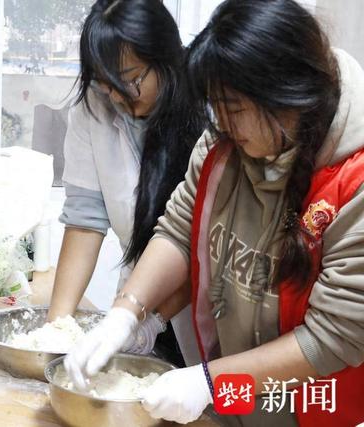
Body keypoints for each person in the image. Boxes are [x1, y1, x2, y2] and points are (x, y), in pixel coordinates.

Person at [65, 0, 364, 425]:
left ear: (286, 97)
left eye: (234, 109)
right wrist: (127, 312)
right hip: (237, 406)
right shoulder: (224, 143)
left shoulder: (354, 183)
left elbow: (333, 338)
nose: (222, 124)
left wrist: (210, 383)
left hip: (313, 411)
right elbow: (179, 230)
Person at [47, 0, 204, 366]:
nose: (116, 96)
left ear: (165, 58)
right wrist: (55, 330)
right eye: (106, 85)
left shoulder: (208, 106)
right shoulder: (95, 106)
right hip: (137, 301)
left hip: (203, 308)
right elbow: (85, 221)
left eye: (130, 80)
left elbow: (202, 247)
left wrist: (151, 320)